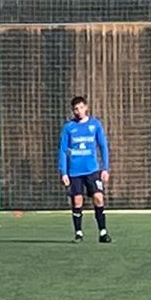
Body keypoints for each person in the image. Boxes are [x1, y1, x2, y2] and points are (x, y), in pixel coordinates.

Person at [58, 95, 112, 244]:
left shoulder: (95, 125)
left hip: (92, 170)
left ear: (86, 108)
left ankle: (103, 232)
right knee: (77, 201)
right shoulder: (68, 127)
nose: (79, 111)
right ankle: (78, 233)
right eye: (76, 109)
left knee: (98, 198)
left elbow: (103, 146)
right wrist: (63, 172)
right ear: (72, 110)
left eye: (81, 107)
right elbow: (63, 150)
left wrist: (105, 168)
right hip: (75, 171)